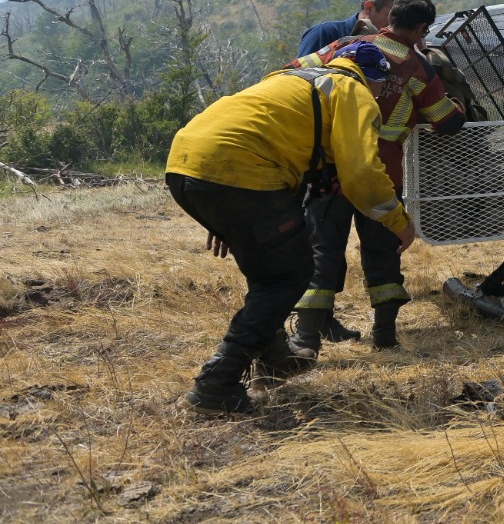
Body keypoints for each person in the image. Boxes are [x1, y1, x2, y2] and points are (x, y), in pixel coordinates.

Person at [165, 41, 415, 415]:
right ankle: (216, 384)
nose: (379, 97)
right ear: (374, 78)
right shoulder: (353, 89)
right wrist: (399, 222)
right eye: (380, 88)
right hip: (240, 171)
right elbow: (361, 173)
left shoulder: (291, 78)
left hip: (185, 165)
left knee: (269, 266)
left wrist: (223, 213)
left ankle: (275, 358)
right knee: (287, 277)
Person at [286, 0, 465, 354]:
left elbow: (293, 71)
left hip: (329, 172)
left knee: (322, 251)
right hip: (382, 175)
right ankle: (385, 337)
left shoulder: (346, 45)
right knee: (383, 252)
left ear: (389, 18)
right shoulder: (418, 67)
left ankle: (305, 338)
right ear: (421, 29)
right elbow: (446, 122)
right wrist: (459, 103)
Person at [297, 0, 400, 58]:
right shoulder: (323, 33)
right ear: (369, 7)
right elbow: (298, 76)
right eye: (390, 15)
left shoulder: (388, 46)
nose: (394, 22)